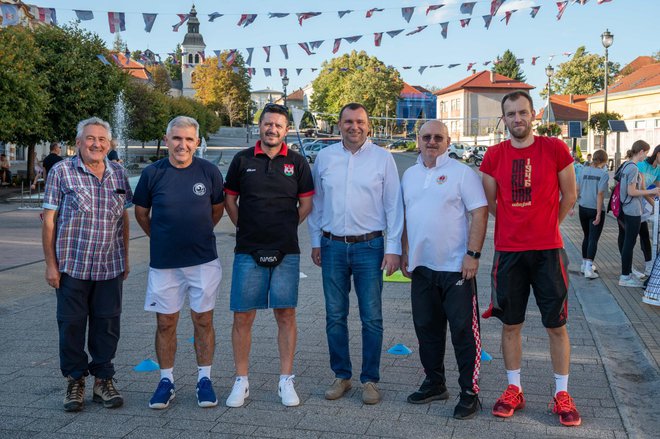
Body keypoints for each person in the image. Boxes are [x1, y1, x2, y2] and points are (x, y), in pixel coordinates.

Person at [480, 90, 581, 427]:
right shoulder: (494, 155)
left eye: (523, 112)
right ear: (504, 119)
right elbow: (492, 204)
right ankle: (514, 389)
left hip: (548, 251)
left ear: (534, 114)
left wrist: (547, 225)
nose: (517, 119)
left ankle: (562, 393)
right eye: (511, 114)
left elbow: (571, 195)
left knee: (556, 325)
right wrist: (515, 224)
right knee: (511, 324)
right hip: (509, 253)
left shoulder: (554, 148)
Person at [308, 102, 404, 405]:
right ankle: (342, 376)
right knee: (335, 315)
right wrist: (314, 241)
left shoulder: (383, 158)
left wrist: (393, 249)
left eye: (360, 121)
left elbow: (394, 207)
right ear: (339, 125)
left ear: (368, 125)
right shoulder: (324, 158)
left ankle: (370, 380)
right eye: (348, 121)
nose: (354, 126)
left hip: (370, 247)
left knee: (371, 317)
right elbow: (317, 204)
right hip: (332, 246)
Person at [223, 103, 314, 408]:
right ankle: (241, 381)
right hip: (247, 250)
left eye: (278, 125)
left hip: (286, 250)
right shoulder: (241, 160)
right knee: (242, 315)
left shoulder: (299, 163)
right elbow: (230, 201)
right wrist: (247, 228)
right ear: (259, 126)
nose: (272, 129)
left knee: (286, 314)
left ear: (286, 130)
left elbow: (306, 206)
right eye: (267, 124)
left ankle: (285, 380)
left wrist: (284, 229)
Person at [133, 116, 225, 409]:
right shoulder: (152, 173)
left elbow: (217, 210)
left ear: (197, 142)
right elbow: (141, 214)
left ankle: (204, 380)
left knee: (203, 320)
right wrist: (161, 238)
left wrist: (194, 235)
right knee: (165, 323)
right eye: (177, 138)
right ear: (167, 139)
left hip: (203, 261)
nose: (182, 145)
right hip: (164, 263)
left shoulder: (209, 172)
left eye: (188, 139)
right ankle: (166, 381)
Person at [41, 117, 132, 412]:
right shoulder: (61, 172)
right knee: (71, 325)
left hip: (110, 265)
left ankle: (103, 379)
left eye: (102, 140)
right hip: (71, 265)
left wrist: (127, 258)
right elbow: (49, 222)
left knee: (107, 325)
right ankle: (75, 379)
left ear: (109, 145)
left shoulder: (118, 173)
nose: (96, 144)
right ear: (78, 142)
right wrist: (50, 265)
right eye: (90, 139)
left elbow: (125, 219)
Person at [400, 120, 488, 420]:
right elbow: (407, 217)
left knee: (464, 333)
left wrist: (473, 255)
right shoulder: (410, 175)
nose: (432, 142)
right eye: (426, 137)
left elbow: (480, 211)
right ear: (418, 140)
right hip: (422, 268)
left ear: (448, 141)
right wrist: (405, 254)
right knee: (427, 330)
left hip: (456, 269)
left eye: (438, 137)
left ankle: (469, 392)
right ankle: (435, 383)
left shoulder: (462, 173)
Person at [615, 140, 660, 287]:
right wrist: (651, 191)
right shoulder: (634, 168)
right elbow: (632, 191)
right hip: (632, 210)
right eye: (646, 152)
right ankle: (625, 276)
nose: (646, 155)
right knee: (629, 243)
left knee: (628, 242)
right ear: (641, 152)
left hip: (628, 209)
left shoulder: (628, 165)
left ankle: (627, 273)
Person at [576, 149, 609, 279]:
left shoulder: (583, 170)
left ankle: (584, 265)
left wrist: (572, 206)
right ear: (604, 161)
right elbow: (600, 194)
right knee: (593, 239)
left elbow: (577, 189)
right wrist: (599, 213)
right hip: (595, 208)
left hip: (583, 207)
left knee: (586, 236)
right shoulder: (603, 174)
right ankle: (589, 268)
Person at [634, 144, 660, 277]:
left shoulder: (659, 169)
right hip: (633, 204)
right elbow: (642, 189)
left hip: (644, 206)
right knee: (630, 237)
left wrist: (656, 202)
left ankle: (649, 265)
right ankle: (627, 269)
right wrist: (655, 205)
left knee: (644, 235)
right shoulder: (642, 166)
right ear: (658, 154)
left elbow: (658, 191)